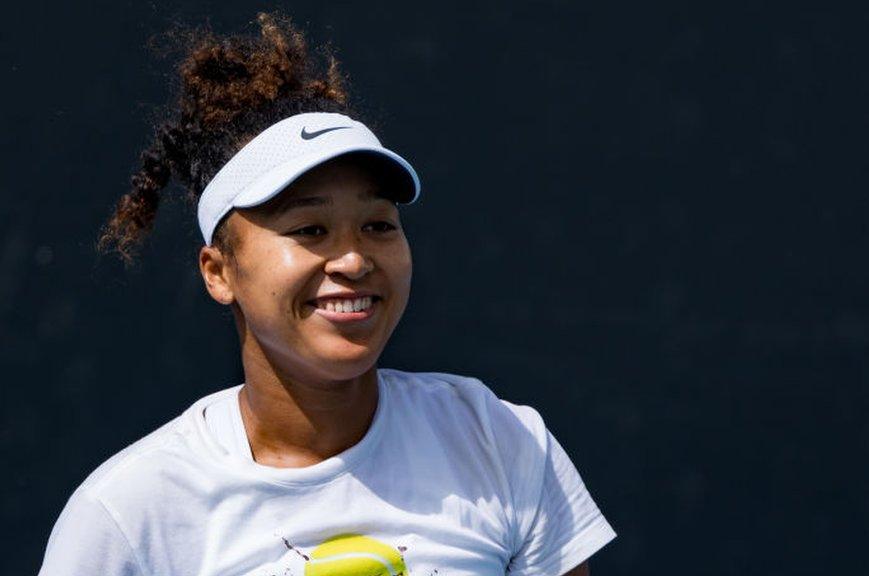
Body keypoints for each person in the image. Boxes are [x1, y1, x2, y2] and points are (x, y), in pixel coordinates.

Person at [37, 11, 617, 576]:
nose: (354, 259)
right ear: (219, 273)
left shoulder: (501, 441)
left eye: (379, 225)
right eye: (309, 230)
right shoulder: (125, 518)